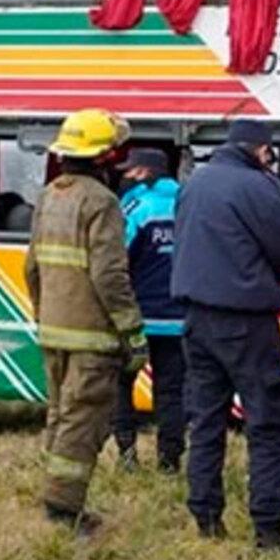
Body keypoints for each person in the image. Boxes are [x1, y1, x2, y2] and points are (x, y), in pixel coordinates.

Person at [171, 119, 280, 549]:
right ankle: (268, 528)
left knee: (206, 418)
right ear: (262, 151)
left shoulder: (194, 183)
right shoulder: (260, 188)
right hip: (248, 323)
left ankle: (206, 515)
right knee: (268, 420)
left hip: (197, 319)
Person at [22, 108, 146, 531]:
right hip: (92, 335)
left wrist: (44, 314)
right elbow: (109, 274)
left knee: (59, 412)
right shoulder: (101, 201)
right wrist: (131, 330)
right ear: (104, 157)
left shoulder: (49, 195)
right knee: (83, 417)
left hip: (54, 329)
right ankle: (63, 509)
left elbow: (32, 267)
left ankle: (53, 493)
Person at [111, 147, 187, 473]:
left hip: (137, 317)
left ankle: (127, 455)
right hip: (179, 319)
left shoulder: (135, 207)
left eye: (131, 171)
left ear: (144, 173)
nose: (126, 176)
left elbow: (117, 258)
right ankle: (169, 461)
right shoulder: (188, 204)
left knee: (121, 383)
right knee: (171, 390)